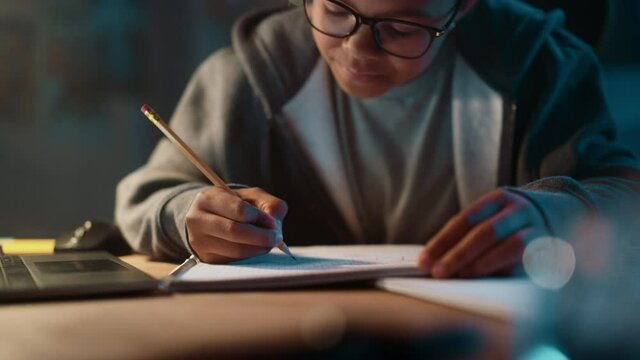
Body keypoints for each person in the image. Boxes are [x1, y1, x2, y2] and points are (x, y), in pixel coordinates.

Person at [115, 0, 640, 278]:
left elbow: (624, 196)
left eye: (404, 26)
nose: (359, 48)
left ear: (465, 5)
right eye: (337, 10)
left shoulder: (540, 68)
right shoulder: (246, 79)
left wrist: (554, 216)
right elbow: (146, 197)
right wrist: (188, 214)